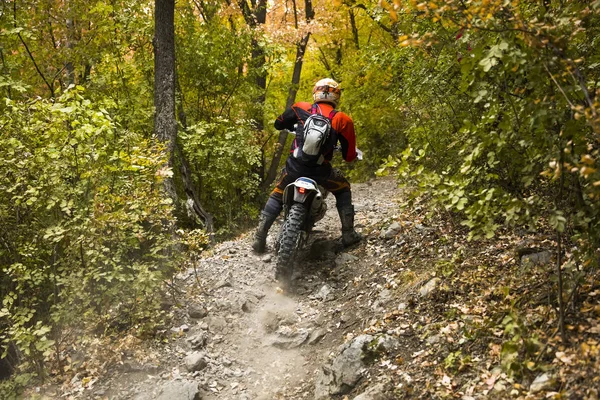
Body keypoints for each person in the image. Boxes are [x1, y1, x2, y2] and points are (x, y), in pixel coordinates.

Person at [252, 78, 362, 253]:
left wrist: (293, 126)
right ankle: (348, 233)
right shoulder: (343, 119)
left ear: (315, 92)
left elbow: (278, 123)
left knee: (277, 194)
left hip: (295, 168)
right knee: (343, 188)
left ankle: (259, 238)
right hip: (321, 172)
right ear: (336, 96)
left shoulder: (301, 107)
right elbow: (349, 157)